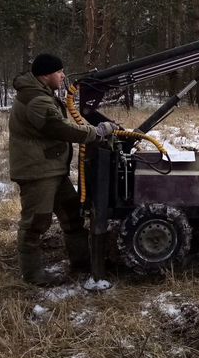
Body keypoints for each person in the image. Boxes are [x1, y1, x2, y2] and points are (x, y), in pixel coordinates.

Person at [9, 53, 119, 286]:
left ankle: (82, 262)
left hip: (52, 169)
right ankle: (33, 276)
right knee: (35, 224)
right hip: (38, 171)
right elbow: (59, 128)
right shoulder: (35, 99)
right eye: (59, 72)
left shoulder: (41, 93)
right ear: (45, 74)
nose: (63, 76)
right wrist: (97, 132)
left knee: (72, 216)